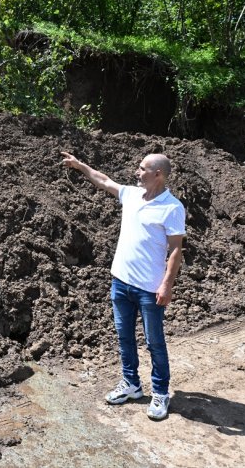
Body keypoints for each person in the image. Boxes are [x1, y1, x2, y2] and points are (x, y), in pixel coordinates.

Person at [61, 150, 186, 420]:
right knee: (124, 337)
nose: (136, 172)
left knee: (155, 342)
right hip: (120, 282)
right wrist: (80, 165)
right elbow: (104, 181)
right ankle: (131, 384)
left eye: (142, 168)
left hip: (149, 289)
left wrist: (167, 285)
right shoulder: (130, 195)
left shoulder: (172, 208)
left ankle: (161, 393)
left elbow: (176, 250)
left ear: (158, 174)